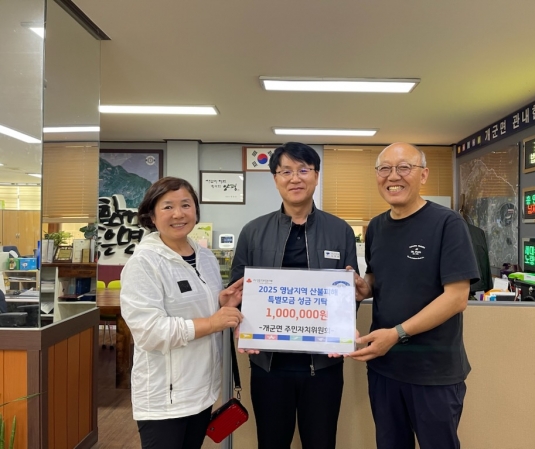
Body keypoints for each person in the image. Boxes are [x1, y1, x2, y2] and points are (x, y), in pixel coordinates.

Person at [349, 143, 480, 449]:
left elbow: (456, 297)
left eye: (404, 167)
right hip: (384, 367)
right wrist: (364, 287)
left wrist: (397, 333)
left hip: (433, 372)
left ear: (423, 175)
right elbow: (377, 278)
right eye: (384, 169)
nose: (393, 176)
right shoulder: (376, 227)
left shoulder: (448, 223)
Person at [230, 142, 359, 449]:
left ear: (316, 176)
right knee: (271, 443)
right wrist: (240, 324)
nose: (295, 178)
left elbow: (348, 292)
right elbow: (239, 290)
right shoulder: (253, 231)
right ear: (275, 178)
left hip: (324, 367)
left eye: (303, 170)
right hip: (268, 365)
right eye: (286, 171)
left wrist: (344, 327)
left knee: (321, 442)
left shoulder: (340, 231)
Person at [120, 177, 244, 449]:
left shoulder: (205, 257)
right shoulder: (144, 263)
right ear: (152, 216)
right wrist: (212, 322)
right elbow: (149, 332)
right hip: (165, 398)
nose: (178, 214)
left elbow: (196, 308)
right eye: (168, 207)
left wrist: (221, 303)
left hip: (201, 391)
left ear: (196, 211)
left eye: (186, 205)